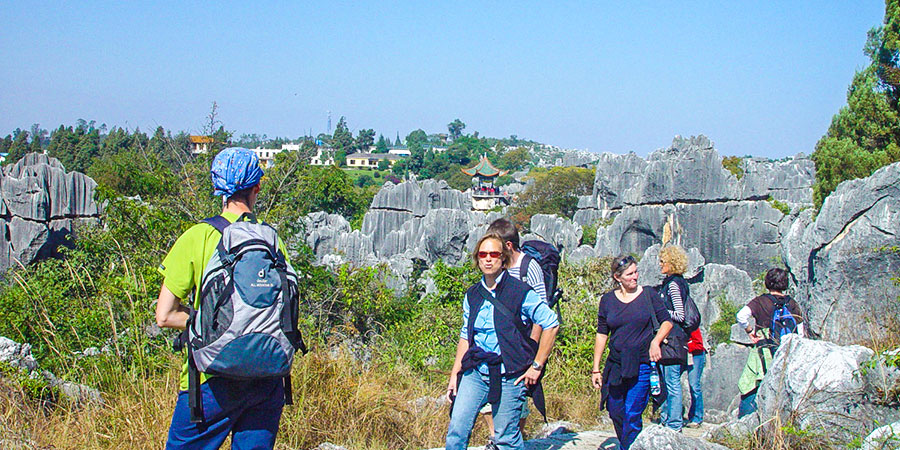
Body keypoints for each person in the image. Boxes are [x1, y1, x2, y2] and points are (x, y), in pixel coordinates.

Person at [155, 147, 292, 450]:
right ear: (257, 187)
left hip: (211, 379)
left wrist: (214, 325)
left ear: (218, 187)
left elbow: (164, 316)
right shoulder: (271, 240)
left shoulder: (198, 236)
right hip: (267, 378)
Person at [445, 233, 560, 450]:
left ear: (503, 258)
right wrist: (454, 375)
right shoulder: (473, 294)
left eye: (494, 254)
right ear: (477, 259)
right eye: (483, 254)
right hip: (476, 372)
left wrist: (537, 366)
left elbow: (551, 323)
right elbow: (465, 336)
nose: (488, 259)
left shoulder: (519, 292)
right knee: (457, 430)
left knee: (506, 437)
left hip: (510, 374)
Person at [592, 254, 673, 450]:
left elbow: (667, 321)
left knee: (632, 412)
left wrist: (656, 341)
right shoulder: (608, 300)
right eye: (629, 274)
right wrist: (596, 368)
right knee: (615, 409)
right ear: (617, 277)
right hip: (616, 364)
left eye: (636, 272)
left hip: (643, 363)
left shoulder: (649, 295)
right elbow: (602, 333)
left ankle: (627, 447)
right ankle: (629, 443)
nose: (635, 277)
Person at [480, 218, 549, 440]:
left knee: (518, 396)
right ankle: (496, 438)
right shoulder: (497, 269)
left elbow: (542, 313)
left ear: (508, 246)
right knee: (489, 394)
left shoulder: (530, 268)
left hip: (522, 345)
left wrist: (532, 349)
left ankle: (511, 438)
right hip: (496, 346)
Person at [735, 268, 805, 417]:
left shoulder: (760, 301)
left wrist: (750, 331)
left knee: (752, 384)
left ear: (768, 282)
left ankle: (746, 422)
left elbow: (741, 316)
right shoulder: (792, 304)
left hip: (763, 351)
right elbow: (801, 333)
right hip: (786, 353)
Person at [657, 245, 690, 432]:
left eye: (663, 262)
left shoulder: (674, 284)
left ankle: (674, 423)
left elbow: (680, 314)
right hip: (668, 340)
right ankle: (667, 417)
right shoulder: (671, 282)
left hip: (673, 339)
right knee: (665, 382)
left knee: (671, 382)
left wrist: (660, 312)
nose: (660, 265)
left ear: (672, 263)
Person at [685, 328, 706, 428]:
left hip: (695, 354)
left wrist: (684, 345)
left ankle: (697, 417)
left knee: (694, 385)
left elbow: (698, 344)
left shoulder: (691, 324)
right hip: (684, 354)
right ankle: (691, 416)